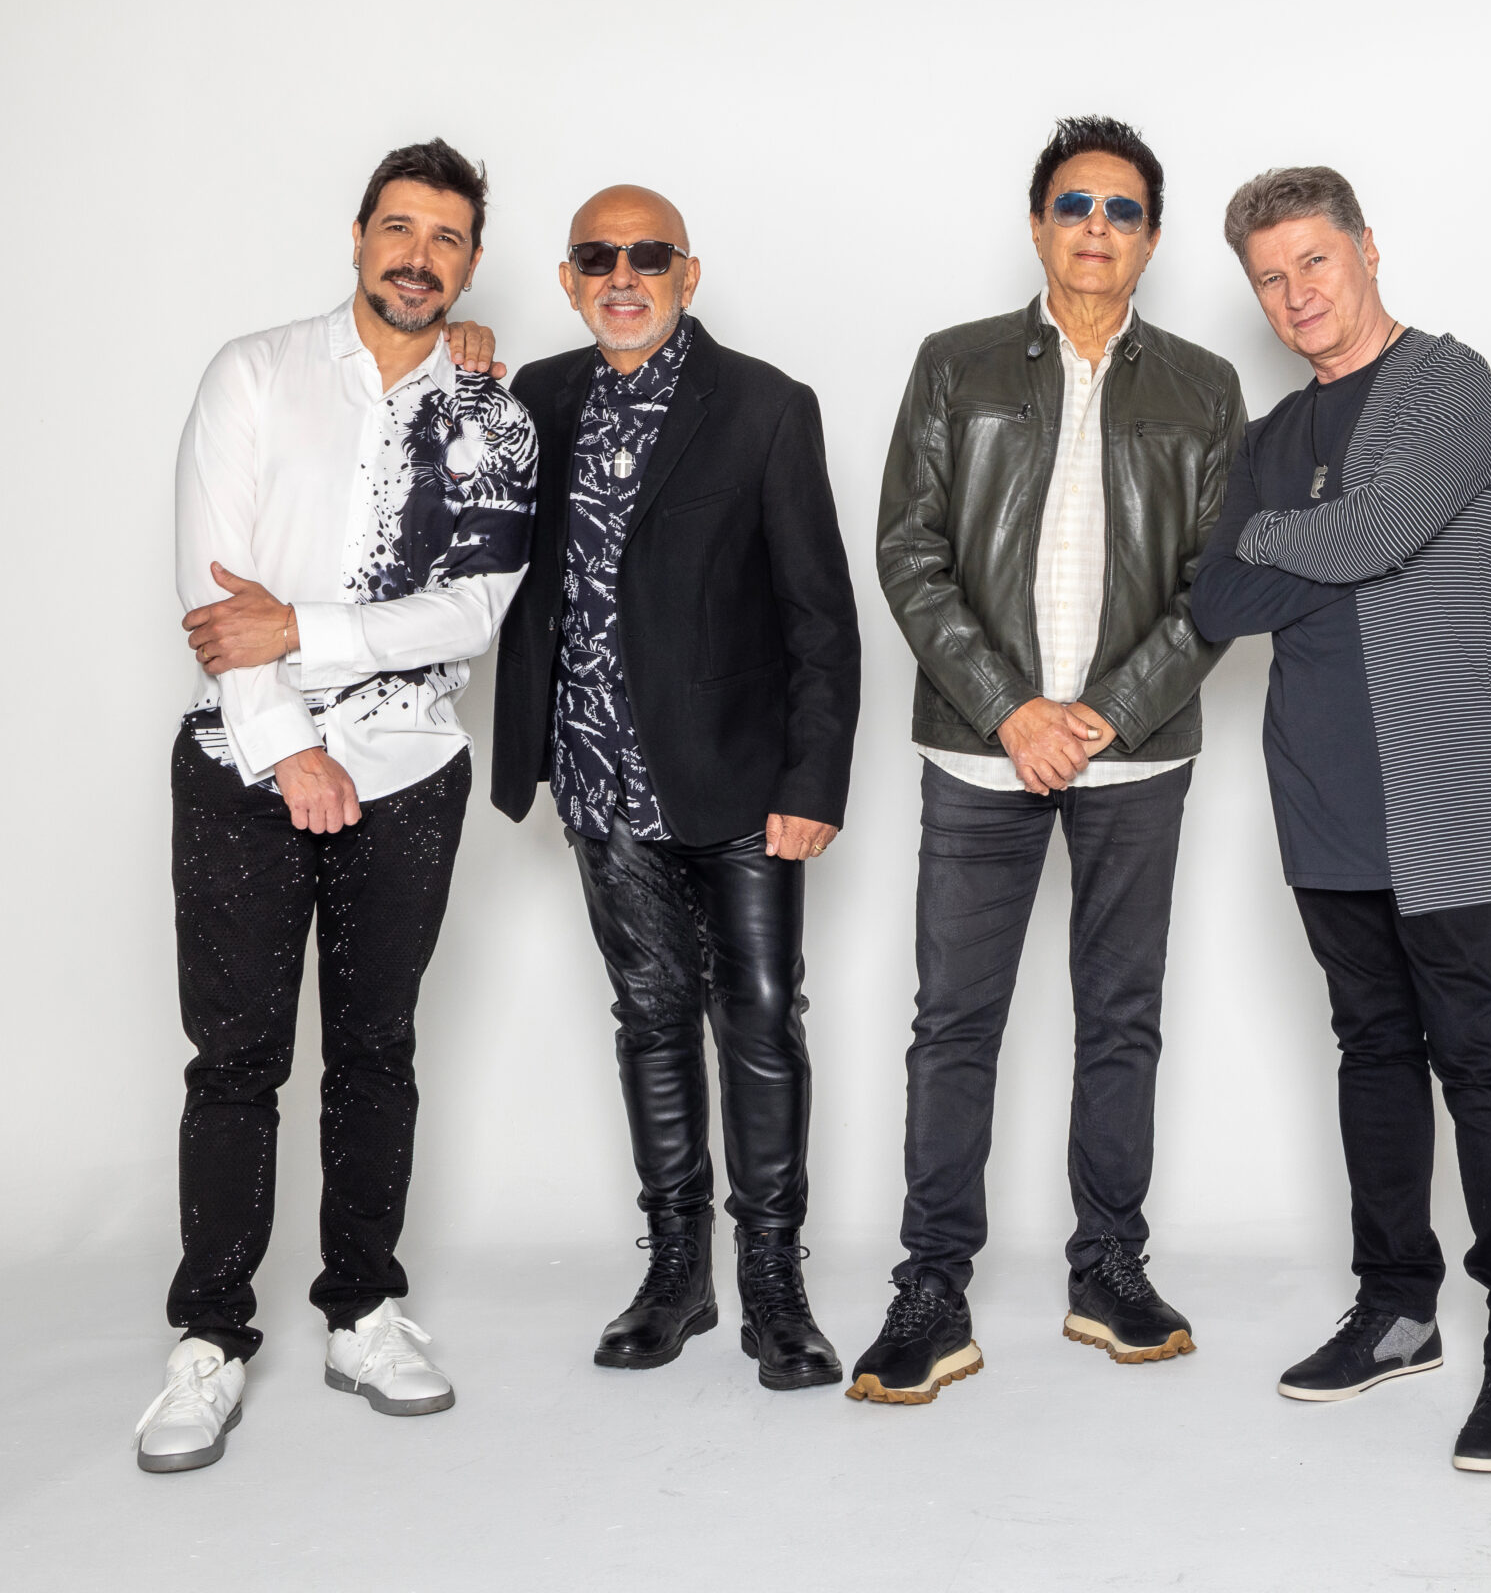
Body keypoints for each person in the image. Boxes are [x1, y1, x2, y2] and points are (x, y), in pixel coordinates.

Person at [139, 139, 534, 1472]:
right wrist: (290, 749)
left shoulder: (490, 416)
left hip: (411, 775)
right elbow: (212, 596)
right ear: (358, 236)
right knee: (235, 1061)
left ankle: (362, 1310)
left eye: (447, 237)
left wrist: (300, 628)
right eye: (400, 228)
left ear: (470, 262)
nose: (420, 256)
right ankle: (208, 1337)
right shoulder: (252, 373)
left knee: (377, 1052)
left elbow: (471, 612)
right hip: (244, 771)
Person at [859, 117, 1244, 1403]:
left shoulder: (1202, 387)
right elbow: (908, 551)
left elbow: (1218, 583)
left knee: (1120, 1020)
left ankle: (1109, 1270)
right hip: (981, 757)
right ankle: (931, 1287)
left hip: (1135, 760)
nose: (1096, 227)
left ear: (1151, 239)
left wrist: (1108, 713)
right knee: (953, 1026)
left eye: (1122, 210)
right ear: (1037, 225)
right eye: (1074, 204)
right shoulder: (955, 364)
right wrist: (1009, 710)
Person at [1193, 166, 1491, 1474]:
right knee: (1370, 1053)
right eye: (1270, 277)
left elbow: (1377, 532)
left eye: (1314, 261)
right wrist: (1319, 543)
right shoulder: (1270, 433)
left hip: (1438, 795)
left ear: (1365, 250)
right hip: (1319, 795)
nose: (1295, 293)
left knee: (1482, 1063)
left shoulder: (1449, 384)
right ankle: (1398, 1307)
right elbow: (1216, 603)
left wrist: (1281, 540)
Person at [490, 186, 861, 1389]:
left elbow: (820, 618)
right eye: (597, 257)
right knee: (650, 1017)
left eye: (648, 256)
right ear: (567, 280)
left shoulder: (763, 406)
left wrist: (813, 781)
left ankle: (774, 1284)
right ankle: (677, 1275)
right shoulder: (536, 397)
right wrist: (460, 370)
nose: (623, 275)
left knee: (760, 1017)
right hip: (595, 773)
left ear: (687, 275)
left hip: (741, 781)